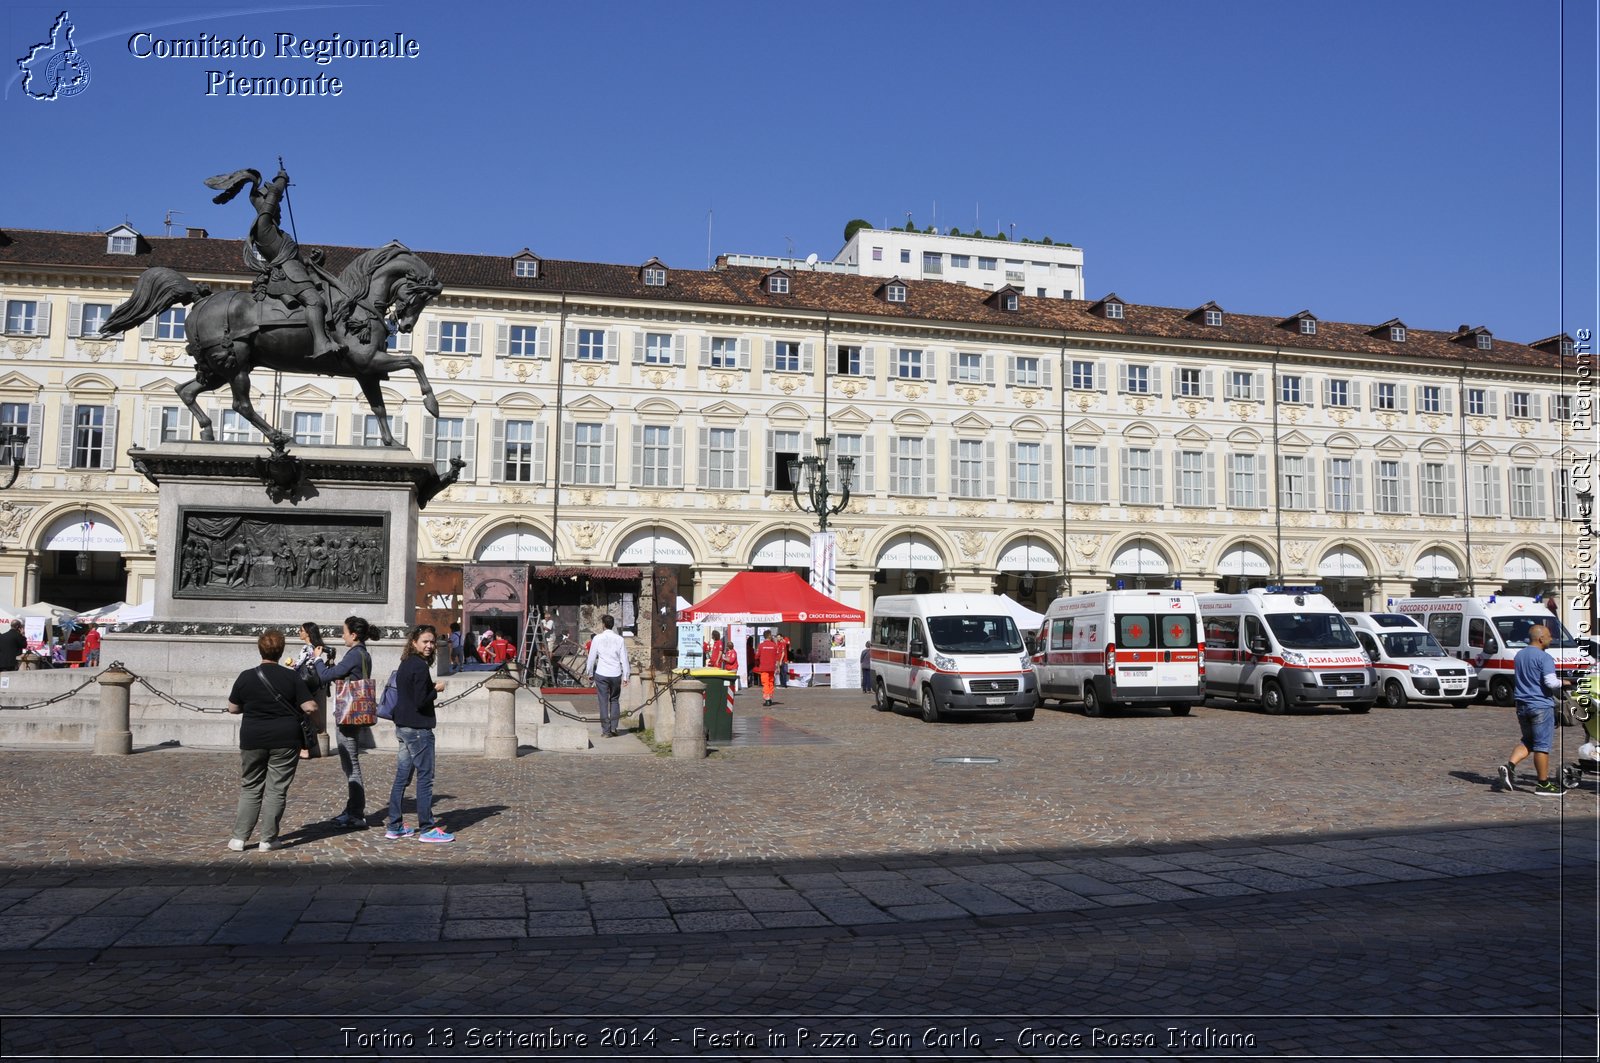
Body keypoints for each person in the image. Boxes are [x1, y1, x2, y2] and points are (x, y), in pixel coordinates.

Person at [206, 165, 343, 358]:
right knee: (315, 301)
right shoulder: (264, 227)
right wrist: (282, 179)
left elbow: (291, 257)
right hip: (289, 276)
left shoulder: (278, 233)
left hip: (296, 272)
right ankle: (320, 344)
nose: (279, 210)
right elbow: (274, 197)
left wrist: (310, 260)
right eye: (275, 207)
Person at [225, 629, 317, 852]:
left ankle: (238, 838)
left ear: (260, 649)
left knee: (250, 787)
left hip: (253, 737)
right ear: (281, 651)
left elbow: (232, 708)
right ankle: (268, 839)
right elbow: (310, 707)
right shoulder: (291, 676)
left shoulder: (246, 676)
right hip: (285, 739)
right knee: (276, 789)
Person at [387, 624, 453, 843]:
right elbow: (420, 699)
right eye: (425, 641)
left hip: (403, 726)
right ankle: (427, 828)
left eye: (432, 642)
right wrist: (436, 690)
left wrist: (428, 689)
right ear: (414, 642)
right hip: (417, 729)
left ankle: (395, 825)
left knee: (402, 778)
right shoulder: (419, 666)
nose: (429, 645)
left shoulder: (406, 663)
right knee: (425, 778)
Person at [313, 615, 375, 829]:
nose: (342, 636)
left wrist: (318, 660)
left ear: (354, 634)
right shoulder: (363, 653)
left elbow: (326, 676)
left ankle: (356, 813)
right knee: (350, 763)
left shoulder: (355, 654)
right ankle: (352, 809)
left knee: (351, 764)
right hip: (355, 713)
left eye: (344, 632)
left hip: (348, 715)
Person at [1494, 624, 1568, 797]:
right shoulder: (1545, 658)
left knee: (1528, 740)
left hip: (1522, 705)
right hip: (1540, 705)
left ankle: (1509, 766)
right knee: (1542, 745)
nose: (1551, 639)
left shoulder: (1520, 655)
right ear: (1541, 638)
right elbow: (1550, 683)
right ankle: (1543, 784)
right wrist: (1564, 683)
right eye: (1549, 636)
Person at [585, 613, 630, 738]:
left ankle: (606, 730)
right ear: (613, 625)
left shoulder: (597, 639)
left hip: (602, 672)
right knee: (615, 700)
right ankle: (614, 727)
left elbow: (591, 657)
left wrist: (589, 673)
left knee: (603, 701)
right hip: (615, 673)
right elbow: (624, 659)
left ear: (603, 625)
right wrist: (626, 676)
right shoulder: (620, 639)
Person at [755, 629, 781, 706]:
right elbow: (777, 658)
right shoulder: (774, 645)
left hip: (764, 667)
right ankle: (770, 696)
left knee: (765, 683)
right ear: (770, 636)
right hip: (772, 667)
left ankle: (767, 699)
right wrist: (778, 667)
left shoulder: (761, 645)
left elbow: (756, 656)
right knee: (771, 682)